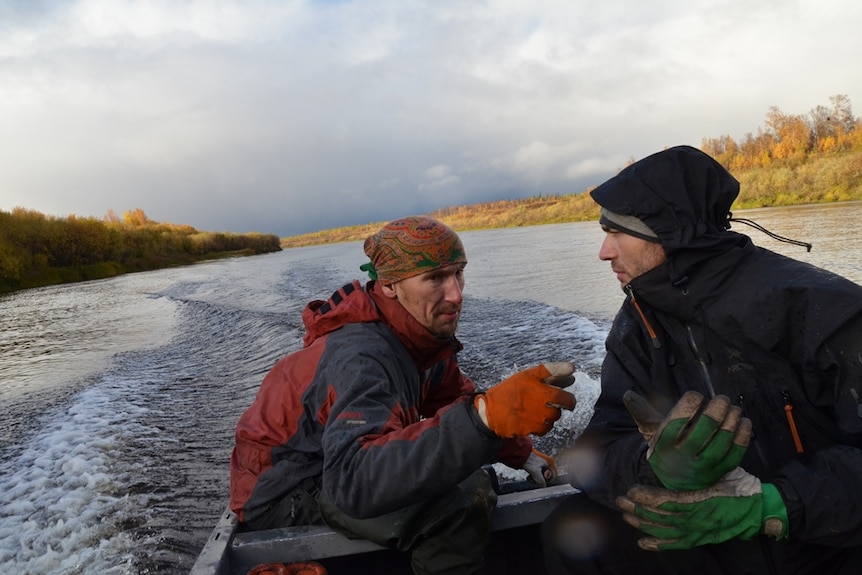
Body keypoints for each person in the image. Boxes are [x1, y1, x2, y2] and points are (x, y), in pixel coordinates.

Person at [542, 145, 862, 574]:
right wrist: (654, 466)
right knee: (567, 530)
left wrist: (773, 506)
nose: (604, 252)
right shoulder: (639, 324)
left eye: (617, 233)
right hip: (704, 542)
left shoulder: (823, 309)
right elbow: (598, 450)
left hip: (824, 545)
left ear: (669, 234)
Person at [230, 215, 576, 575]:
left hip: (333, 466)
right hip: (286, 489)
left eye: (458, 273)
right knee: (458, 504)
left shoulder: (417, 336)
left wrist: (520, 452)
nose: (456, 294)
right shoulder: (363, 357)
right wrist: (486, 417)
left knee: (469, 465)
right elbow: (353, 478)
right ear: (391, 285)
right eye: (435, 278)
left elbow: (455, 396)